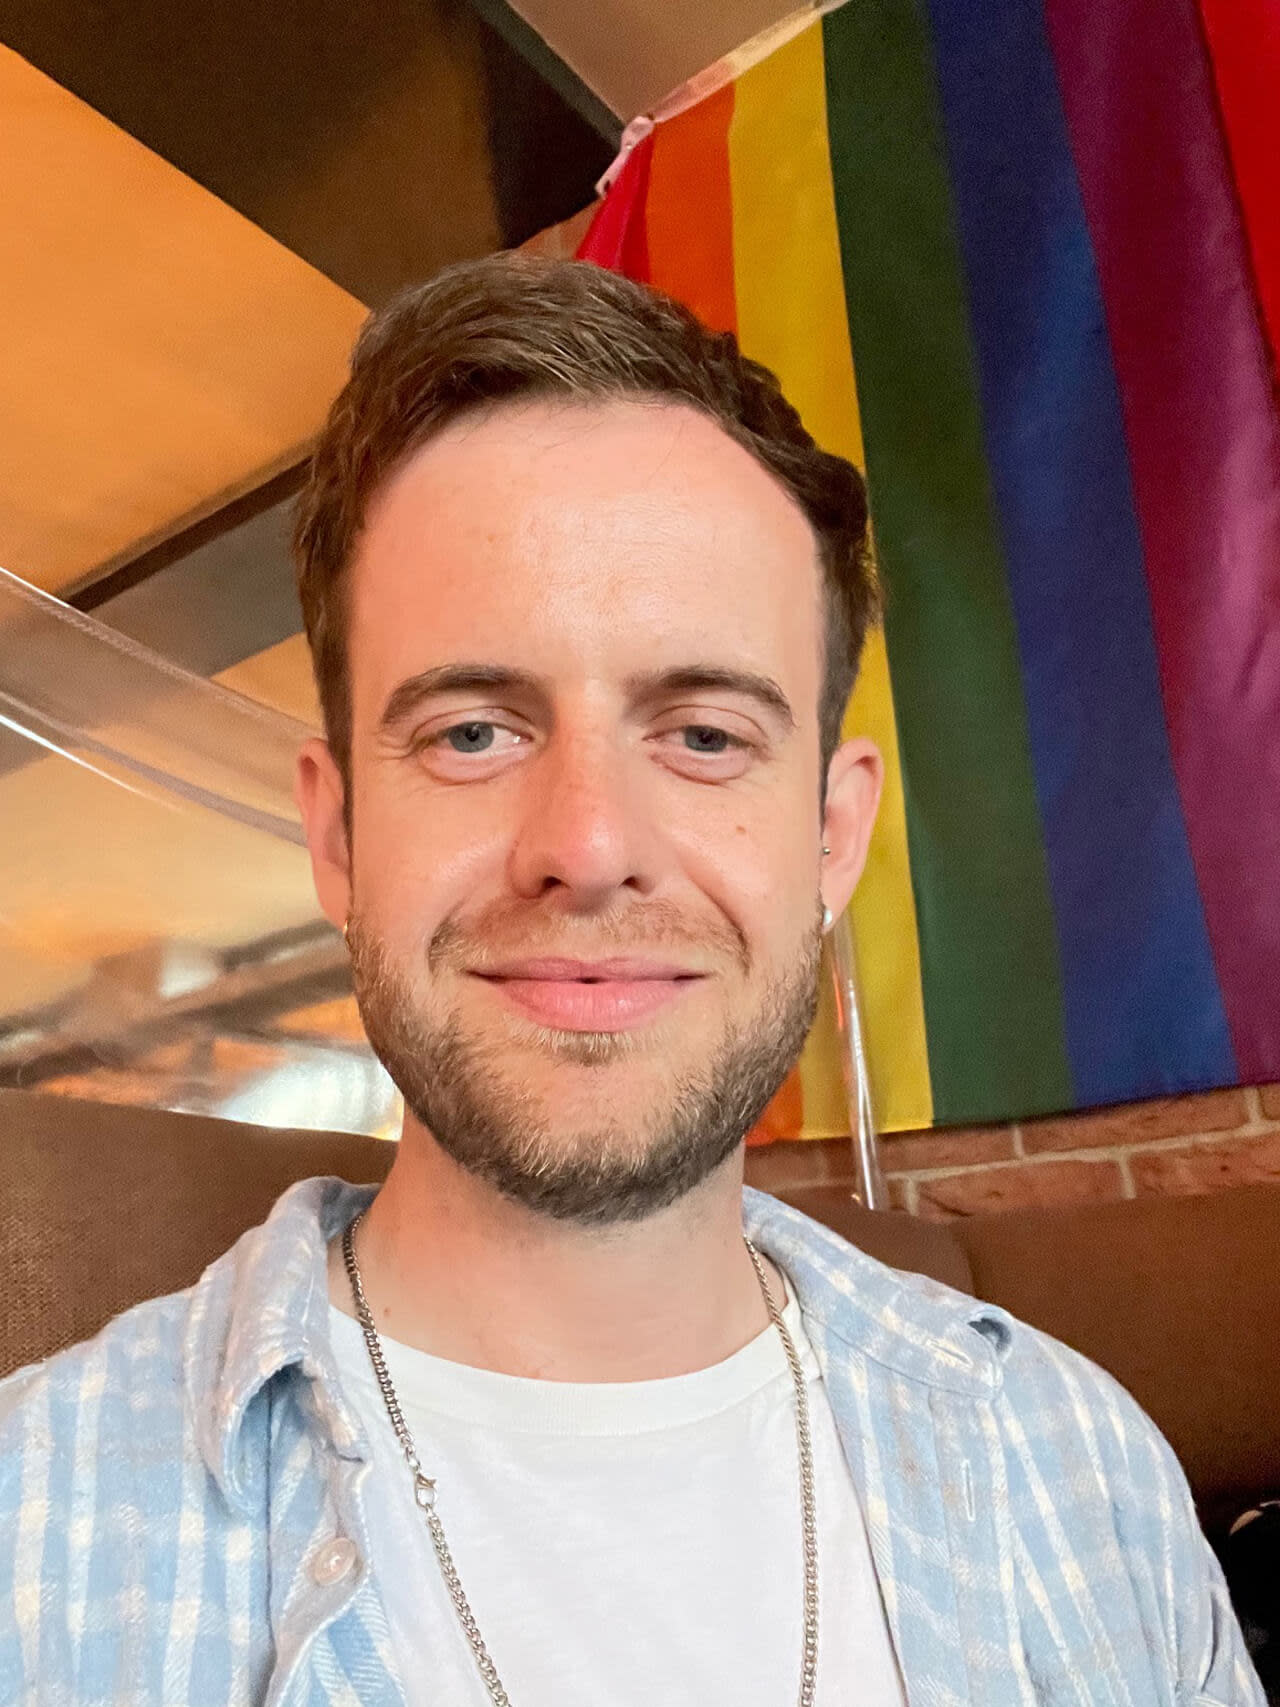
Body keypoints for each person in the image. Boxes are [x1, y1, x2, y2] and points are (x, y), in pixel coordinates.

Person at [0, 255, 1260, 1706]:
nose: (589, 847)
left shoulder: (1080, 1470)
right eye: (473, 732)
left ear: (831, 834)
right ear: (339, 833)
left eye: (707, 734)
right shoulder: (38, 1537)